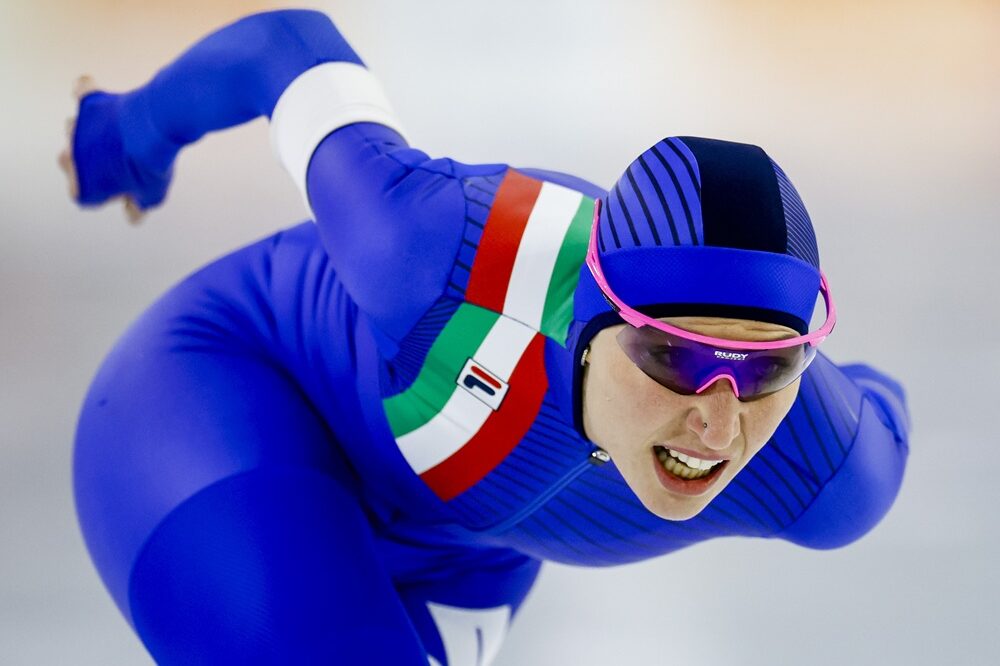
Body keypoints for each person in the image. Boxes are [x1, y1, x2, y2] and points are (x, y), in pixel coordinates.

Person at [62, 9, 910, 665]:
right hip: (225, 395)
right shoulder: (441, 250)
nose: (719, 425)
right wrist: (125, 139)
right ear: (588, 320)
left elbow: (868, 399)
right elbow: (286, 46)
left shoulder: (826, 468)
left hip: (460, 546)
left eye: (764, 369)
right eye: (677, 356)